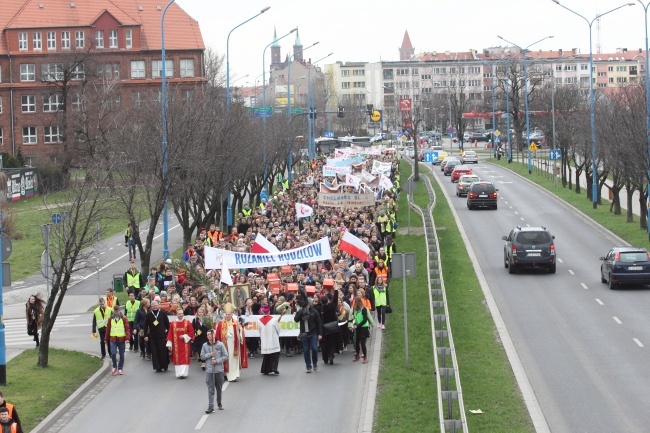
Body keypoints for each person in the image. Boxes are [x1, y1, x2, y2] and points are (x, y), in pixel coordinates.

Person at [215, 303, 248, 382]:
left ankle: (233, 376)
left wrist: (239, 331)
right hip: (225, 345)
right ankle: (226, 374)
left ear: (232, 314)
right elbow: (217, 335)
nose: (227, 316)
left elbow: (241, 332)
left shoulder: (236, 323)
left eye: (229, 314)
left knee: (233, 360)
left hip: (234, 345)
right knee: (225, 359)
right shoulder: (221, 323)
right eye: (226, 314)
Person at [200, 330, 228, 413]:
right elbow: (202, 356)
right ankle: (211, 406)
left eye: (211, 334)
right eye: (208, 334)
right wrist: (209, 355)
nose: (209, 336)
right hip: (209, 371)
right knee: (210, 389)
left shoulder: (220, 345)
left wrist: (217, 361)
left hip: (218, 371)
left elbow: (226, 356)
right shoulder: (205, 345)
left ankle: (219, 403)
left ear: (214, 335)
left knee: (219, 388)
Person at [294, 294, 322, 373]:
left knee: (314, 348)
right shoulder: (301, 311)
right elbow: (296, 319)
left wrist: (320, 334)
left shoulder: (314, 312)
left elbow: (319, 323)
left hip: (313, 333)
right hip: (304, 334)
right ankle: (308, 366)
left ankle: (315, 362)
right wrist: (300, 312)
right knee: (306, 350)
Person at [166, 309, 195, 378]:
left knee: (185, 358)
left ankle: (184, 373)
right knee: (177, 358)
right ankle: (179, 374)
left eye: (182, 313)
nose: (181, 315)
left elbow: (191, 332)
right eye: (179, 314)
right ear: (176, 314)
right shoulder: (173, 323)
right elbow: (170, 334)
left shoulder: (187, 322)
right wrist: (169, 344)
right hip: (176, 345)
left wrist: (184, 336)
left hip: (185, 344)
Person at [143, 299, 170, 372]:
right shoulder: (148, 315)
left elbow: (167, 324)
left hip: (162, 336)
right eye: (153, 306)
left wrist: (170, 334)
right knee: (155, 352)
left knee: (163, 351)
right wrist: (145, 335)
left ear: (158, 306)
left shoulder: (162, 313)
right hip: (153, 336)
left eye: (156, 305)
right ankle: (157, 367)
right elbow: (145, 325)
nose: (154, 307)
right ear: (151, 307)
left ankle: (164, 365)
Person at [105, 305, 130, 375]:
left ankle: (120, 368)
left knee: (122, 355)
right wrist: (106, 339)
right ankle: (114, 366)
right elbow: (108, 329)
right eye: (115, 312)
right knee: (113, 353)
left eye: (117, 311)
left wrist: (127, 338)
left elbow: (127, 329)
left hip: (121, 339)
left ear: (119, 311)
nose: (116, 313)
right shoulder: (111, 319)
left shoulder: (124, 318)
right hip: (113, 339)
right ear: (114, 311)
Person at [258, 304, 283, 375]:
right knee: (275, 354)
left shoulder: (259, 321)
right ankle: (274, 367)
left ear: (263, 312)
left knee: (266, 355)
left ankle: (265, 369)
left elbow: (259, 330)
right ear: (269, 312)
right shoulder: (273, 319)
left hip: (265, 340)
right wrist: (277, 335)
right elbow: (278, 329)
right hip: (273, 339)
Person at [352, 296, 371, 364]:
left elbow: (365, 319)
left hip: (363, 328)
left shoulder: (364, 309)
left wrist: (357, 325)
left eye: (355, 302)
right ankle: (357, 355)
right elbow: (355, 318)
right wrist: (354, 324)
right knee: (356, 342)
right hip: (358, 328)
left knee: (363, 343)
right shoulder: (355, 310)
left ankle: (365, 357)